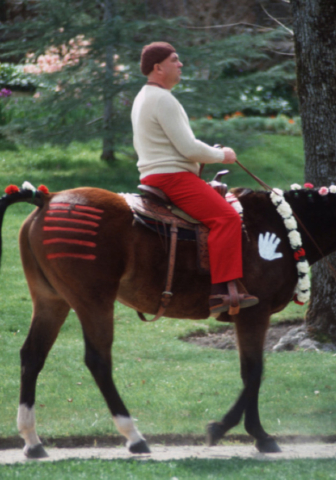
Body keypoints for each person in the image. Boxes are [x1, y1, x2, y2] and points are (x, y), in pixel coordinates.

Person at [131, 41, 258, 316]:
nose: (181, 64)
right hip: (173, 178)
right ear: (158, 67)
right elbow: (188, 149)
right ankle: (223, 292)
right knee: (227, 219)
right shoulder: (163, 99)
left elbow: (185, 143)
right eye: (175, 60)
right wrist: (223, 155)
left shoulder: (144, 96)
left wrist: (210, 152)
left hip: (157, 175)